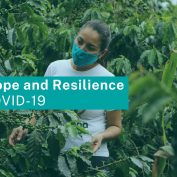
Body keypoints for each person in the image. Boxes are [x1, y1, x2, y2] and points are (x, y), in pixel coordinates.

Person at [8, 20, 122, 168]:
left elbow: (116, 126)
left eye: (90, 47)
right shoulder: (55, 68)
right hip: (54, 155)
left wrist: (101, 136)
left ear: (102, 53)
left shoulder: (109, 80)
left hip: (92, 158)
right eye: (80, 42)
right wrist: (24, 127)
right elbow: (41, 110)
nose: (81, 49)